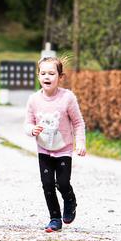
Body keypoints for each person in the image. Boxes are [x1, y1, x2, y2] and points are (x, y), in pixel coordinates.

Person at [24, 56, 86, 232]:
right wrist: (32, 130)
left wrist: (80, 143)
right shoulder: (34, 100)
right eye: (43, 73)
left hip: (64, 150)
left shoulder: (67, 98)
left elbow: (78, 123)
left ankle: (70, 200)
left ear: (60, 77)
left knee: (63, 182)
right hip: (44, 150)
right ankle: (55, 218)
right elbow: (27, 124)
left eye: (52, 73)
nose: (47, 77)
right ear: (38, 76)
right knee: (48, 184)